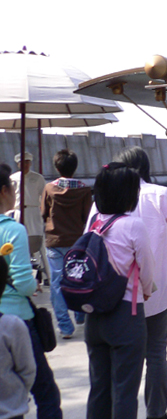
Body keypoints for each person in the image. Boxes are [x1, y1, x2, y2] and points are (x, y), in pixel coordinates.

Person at [114, 147, 167, 419]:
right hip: (156, 288)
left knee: (123, 357)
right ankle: (156, 413)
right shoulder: (160, 194)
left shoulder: (109, 197)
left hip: (118, 293)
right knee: (155, 352)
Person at [84, 162, 155, 419]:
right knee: (124, 390)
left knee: (99, 388)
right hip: (126, 314)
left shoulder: (94, 222)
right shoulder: (133, 225)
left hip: (94, 314)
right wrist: (147, 290)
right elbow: (147, 272)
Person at [0, 162, 62, 419]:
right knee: (45, 391)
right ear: (4, 191)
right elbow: (24, 284)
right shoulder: (13, 230)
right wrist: (33, 284)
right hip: (17, 319)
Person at [41, 150, 92, 340]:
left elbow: (43, 212)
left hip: (54, 241)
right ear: (75, 167)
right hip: (78, 242)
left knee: (56, 284)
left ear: (57, 167)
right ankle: (80, 314)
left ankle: (65, 327)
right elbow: (87, 218)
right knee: (78, 278)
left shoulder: (49, 188)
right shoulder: (84, 190)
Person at [0, 243, 36, 419]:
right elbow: (27, 369)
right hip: (11, 409)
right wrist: (17, 395)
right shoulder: (12, 326)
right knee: (47, 389)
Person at [11, 152, 49, 287]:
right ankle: (22, 275)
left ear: (30, 163)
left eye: (27, 161)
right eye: (22, 162)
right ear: (18, 164)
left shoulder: (38, 178)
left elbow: (44, 197)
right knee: (19, 244)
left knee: (39, 244)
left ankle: (47, 275)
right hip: (18, 211)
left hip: (34, 211)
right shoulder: (13, 178)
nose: (25, 164)